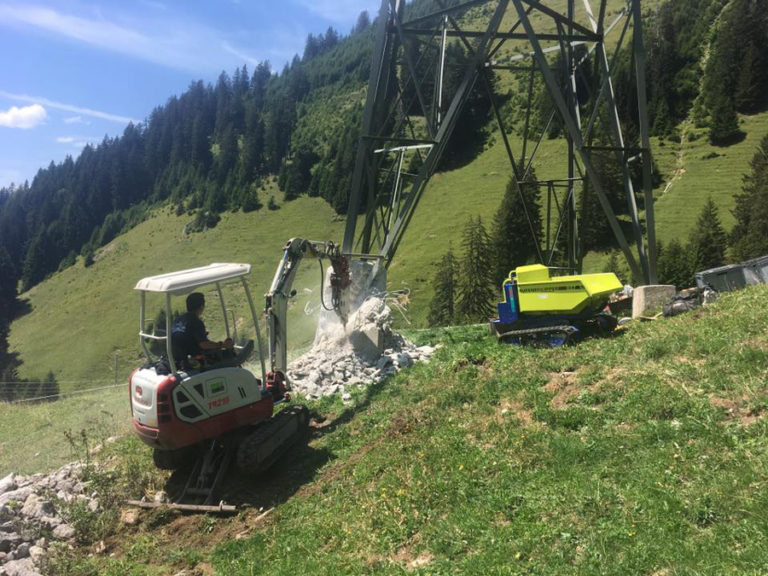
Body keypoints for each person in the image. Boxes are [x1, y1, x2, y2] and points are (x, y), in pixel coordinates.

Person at [171, 292, 233, 365]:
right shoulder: (196, 322)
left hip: (179, 358)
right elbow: (203, 345)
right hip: (194, 359)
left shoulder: (179, 319)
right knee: (228, 356)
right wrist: (222, 345)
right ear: (201, 306)